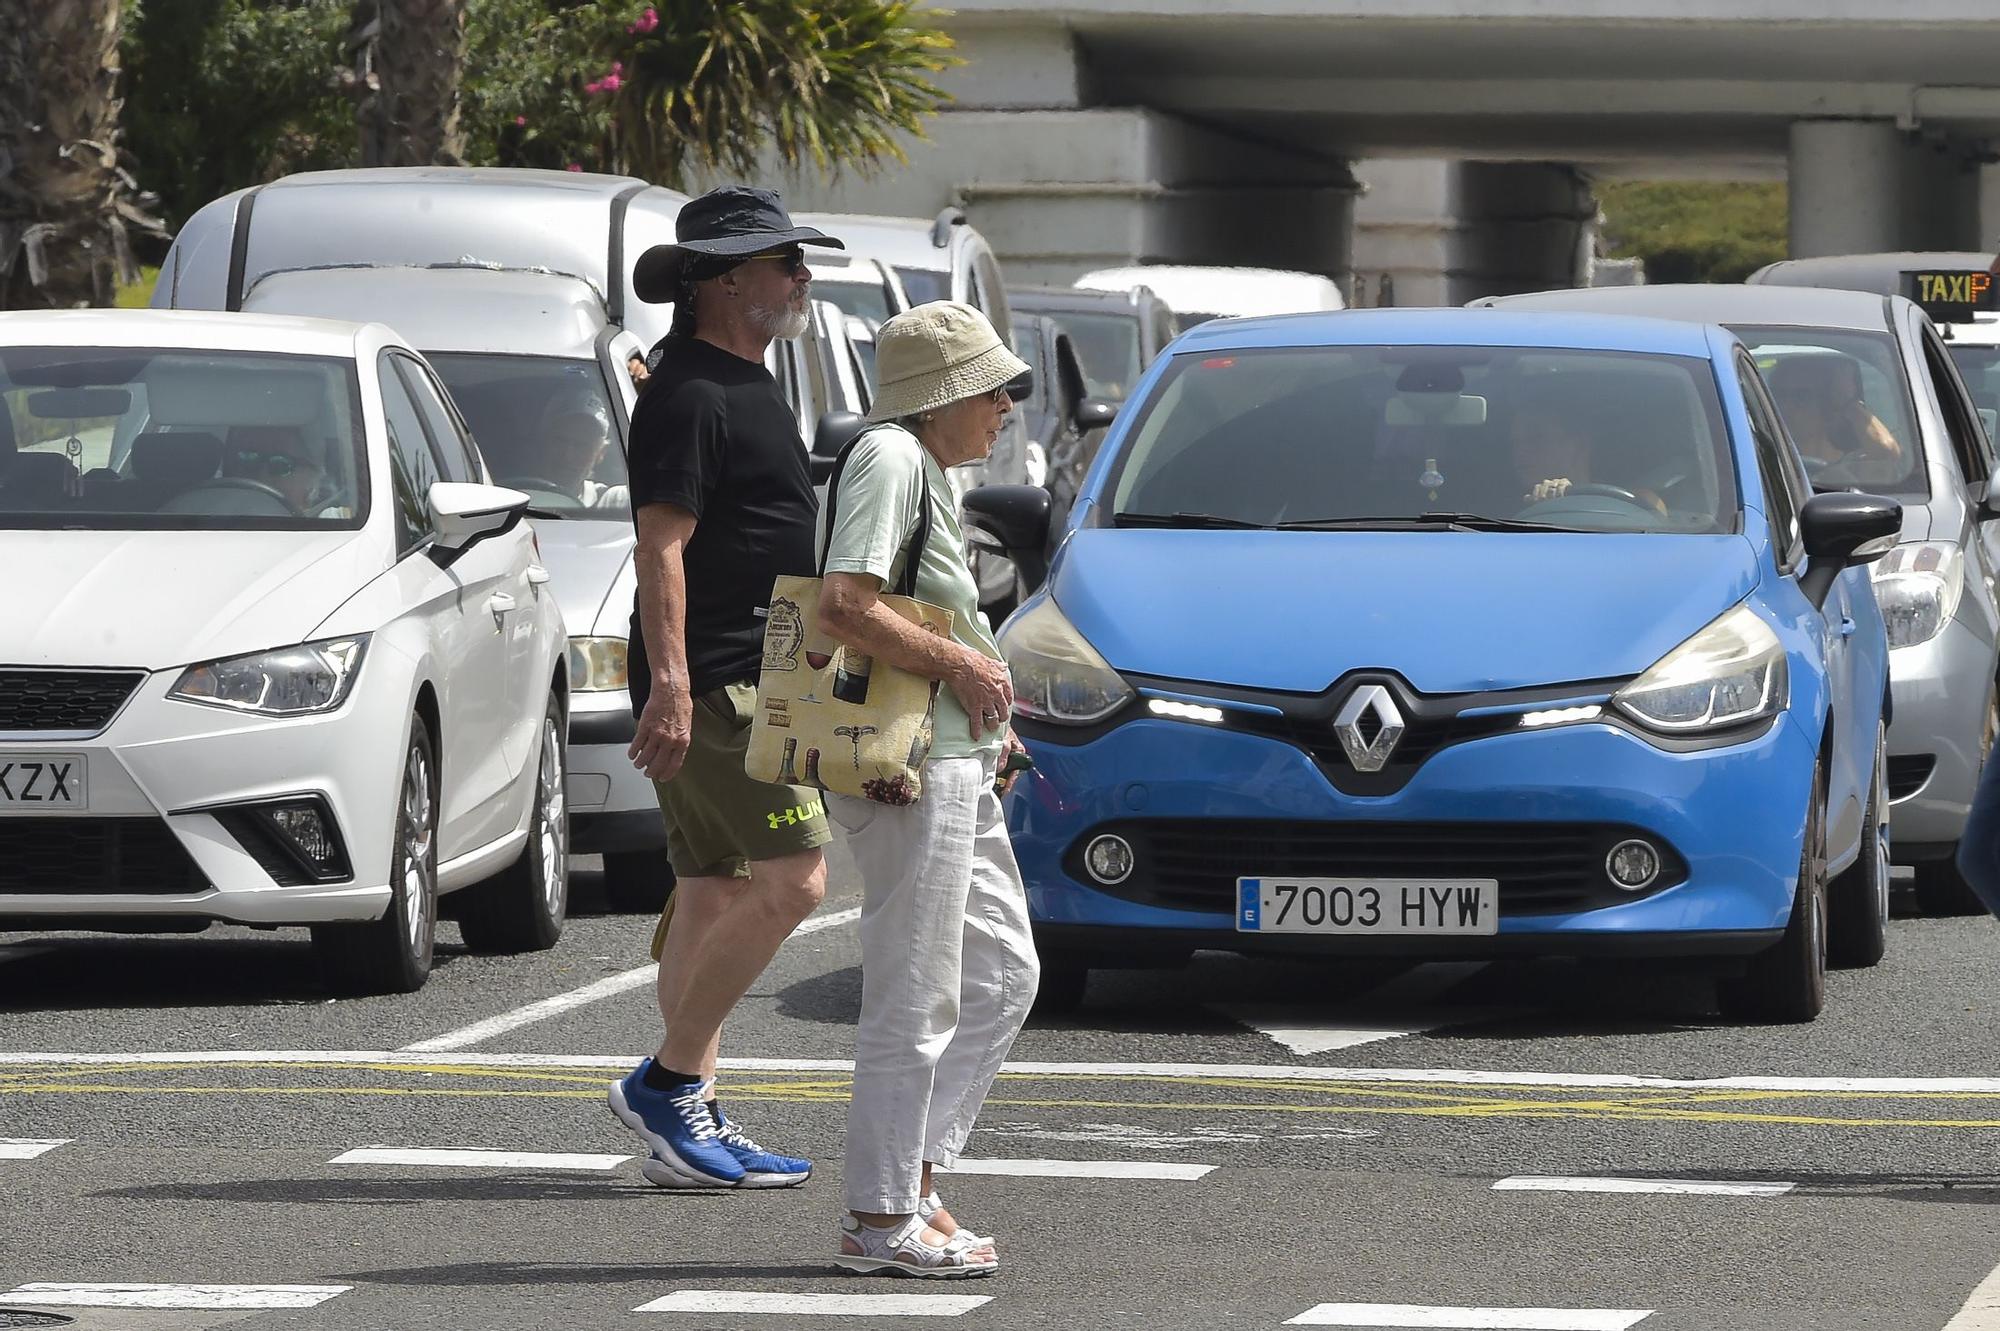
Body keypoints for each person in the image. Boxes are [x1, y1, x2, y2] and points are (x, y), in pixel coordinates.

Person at [607, 186, 846, 1191]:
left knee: (714, 887)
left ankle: (686, 1114)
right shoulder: (692, 391)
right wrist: (672, 684)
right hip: (717, 679)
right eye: (784, 262)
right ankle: (667, 1084)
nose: (800, 278)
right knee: (795, 880)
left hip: (756, 669)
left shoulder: (743, 379)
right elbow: (661, 545)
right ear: (721, 281)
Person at [814, 301, 1041, 1277]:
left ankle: (912, 1178)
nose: (1004, 405)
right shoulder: (890, 459)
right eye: (992, 388)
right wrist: (960, 666)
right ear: (941, 396)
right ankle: (878, 1215)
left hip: (948, 755)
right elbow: (843, 602)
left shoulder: (921, 469)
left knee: (999, 974)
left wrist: (980, 694)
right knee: (915, 993)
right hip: (912, 766)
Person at [1506, 382, 1667, 515]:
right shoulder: (1493, 516)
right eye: (1515, 443)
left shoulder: (1636, 503)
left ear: (1579, 444)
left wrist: (1570, 495)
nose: (1521, 451)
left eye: (1536, 439)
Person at [1765, 355, 1906, 481]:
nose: (1787, 407)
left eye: (1801, 397)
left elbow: (1885, 452)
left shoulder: (1857, 465)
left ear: (1829, 405)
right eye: (1779, 395)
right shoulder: (1765, 464)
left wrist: (1849, 403)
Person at [225, 425, 328, 514]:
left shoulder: (333, 531)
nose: (262, 476)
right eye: (248, 459)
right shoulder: (211, 521)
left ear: (312, 476)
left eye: (280, 465)